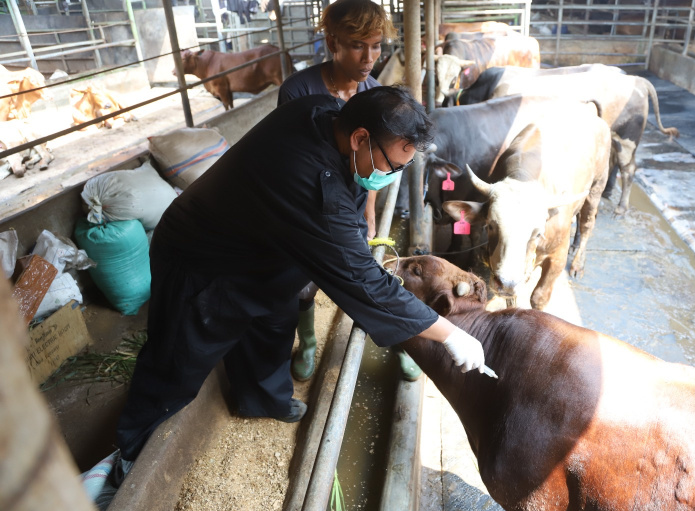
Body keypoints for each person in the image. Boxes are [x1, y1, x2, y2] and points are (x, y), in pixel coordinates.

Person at [115, 86, 489, 468]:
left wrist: (358, 243)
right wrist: (449, 333)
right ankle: (131, 448)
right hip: (202, 259)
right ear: (360, 137)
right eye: (391, 166)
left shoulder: (322, 112)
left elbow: (349, 222)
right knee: (179, 356)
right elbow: (362, 281)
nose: (391, 177)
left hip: (264, 245)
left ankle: (262, 399)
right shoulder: (314, 187)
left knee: (273, 320)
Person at [278, 0, 421, 382]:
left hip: (352, 201)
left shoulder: (373, 92)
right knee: (303, 282)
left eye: (376, 46)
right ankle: (307, 342)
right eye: (359, 45)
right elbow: (292, 163)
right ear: (333, 42)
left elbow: (372, 162)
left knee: (365, 275)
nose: (369, 57)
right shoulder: (298, 91)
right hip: (308, 204)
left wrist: (369, 210)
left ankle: (398, 342)